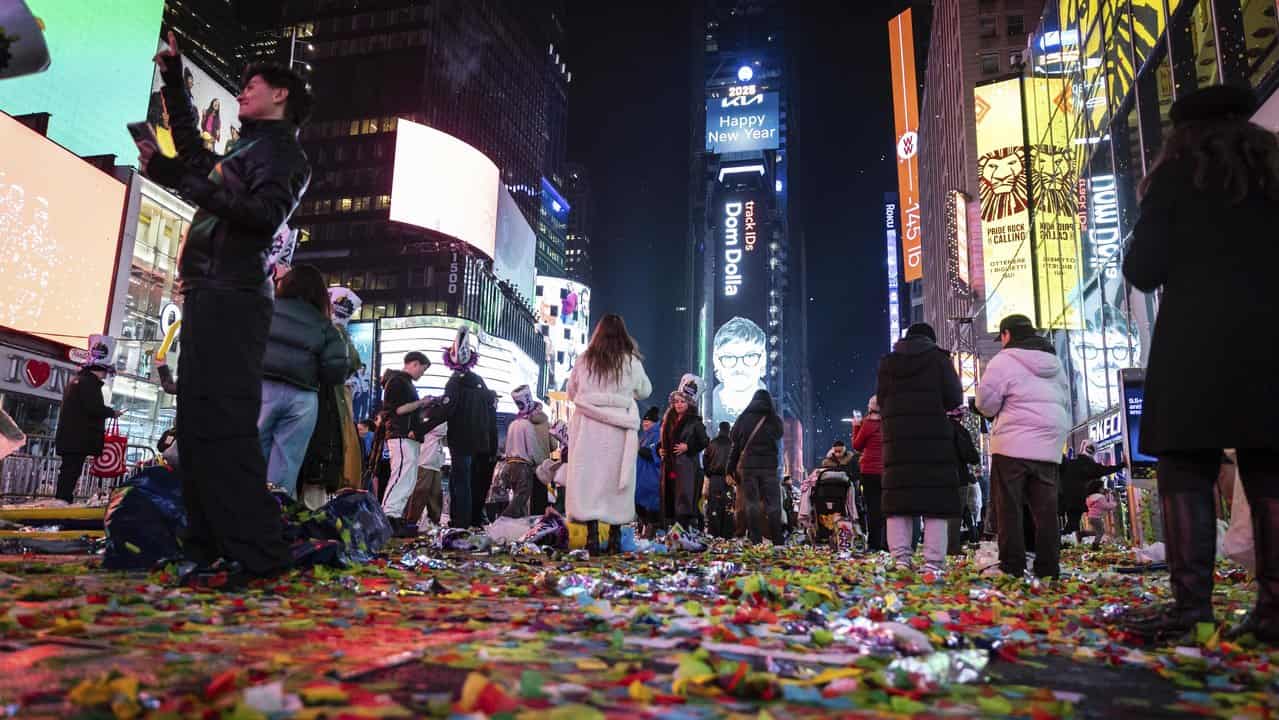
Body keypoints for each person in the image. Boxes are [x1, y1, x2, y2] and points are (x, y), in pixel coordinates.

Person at [134, 32, 312, 580]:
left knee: (226, 424)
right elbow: (193, 156)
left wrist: (178, 176)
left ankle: (259, 552)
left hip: (236, 296)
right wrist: (171, 77)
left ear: (280, 94)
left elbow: (259, 215)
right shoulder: (246, 147)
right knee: (195, 424)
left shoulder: (284, 154)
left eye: (251, 85)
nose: (241, 93)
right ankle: (207, 542)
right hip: (212, 292)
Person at [1120, 85, 1279, 643]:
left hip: (1196, 339)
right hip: (1271, 334)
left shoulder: (1177, 175)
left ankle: (1193, 613)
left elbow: (1144, 269)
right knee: (1269, 467)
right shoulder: (1272, 168)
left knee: (1186, 466)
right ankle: (1273, 613)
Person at [974, 314, 1071, 579]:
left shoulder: (1004, 360)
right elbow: (1064, 398)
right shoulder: (1055, 362)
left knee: (1009, 509)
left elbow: (986, 404)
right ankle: (1049, 567)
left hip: (1012, 446)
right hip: (1049, 444)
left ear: (1007, 334)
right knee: (1046, 511)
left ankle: (1013, 566)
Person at [876, 323, 964, 574]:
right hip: (934, 439)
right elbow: (955, 397)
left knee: (898, 500)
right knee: (935, 501)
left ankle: (902, 559)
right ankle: (933, 563)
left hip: (898, 441)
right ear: (931, 340)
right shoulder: (939, 360)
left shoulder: (888, 363)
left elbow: (881, 399)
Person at [257, 265, 348, 499]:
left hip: (261, 389)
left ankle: (240, 514)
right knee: (287, 461)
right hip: (302, 397)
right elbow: (337, 370)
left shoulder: (264, 309)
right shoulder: (325, 326)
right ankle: (275, 515)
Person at [565, 314, 652, 552]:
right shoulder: (631, 361)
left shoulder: (584, 360)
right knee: (615, 482)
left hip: (588, 431)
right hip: (619, 430)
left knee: (589, 480)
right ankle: (614, 538)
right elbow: (645, 390)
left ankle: (592, 536)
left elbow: (572, 392)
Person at [422, 327, 498, 529]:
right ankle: (472, 518)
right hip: (481, 442)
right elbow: (490, 413)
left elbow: (447, 409)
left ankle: (460, 521)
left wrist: (422, 428)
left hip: (461, 441)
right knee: (472, 482)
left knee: (460, 482)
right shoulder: (480, 383)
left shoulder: (455, 383)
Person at [54, 345, 121, 503]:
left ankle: (62, 498)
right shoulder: (89, 384)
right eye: (105, 371)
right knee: (71, 470)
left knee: (68, 470)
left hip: (70, 436)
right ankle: (63, 500)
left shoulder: (77, 381)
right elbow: (94, 408)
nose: (105, 375)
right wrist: (112, 412)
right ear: (98, 370)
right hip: (79, 437)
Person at [379, 352, 434, 535]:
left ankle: (395, 515)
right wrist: (421, 403)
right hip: (400, 434)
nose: (422, 374)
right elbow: (396, 410)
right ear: (415, 364)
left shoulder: (404, 383)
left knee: (407, 478)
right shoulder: (397, 381)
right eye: (423, 370)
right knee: (401, 475)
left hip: (407, 436)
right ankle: (387, 516)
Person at [727, 388, 785, 544]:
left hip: (748, 468)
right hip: (769, 467)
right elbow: (779, 434)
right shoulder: (773, 418)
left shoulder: (743, 418)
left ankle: (755, 538)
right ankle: (777, 539)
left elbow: (735, 443)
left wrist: (730, 469)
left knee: (751, 503)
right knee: (773, 503)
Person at [660, 375, 711, 530]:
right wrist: (660, 449)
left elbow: (705, 441)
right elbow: (663, 441)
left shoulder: (695, 422)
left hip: (687, 466)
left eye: (683, 401)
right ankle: (674, 531)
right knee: (670, 497)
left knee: (684, 499)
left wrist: (688, 447)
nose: (679, 404)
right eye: (676, 401)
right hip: (669, 466)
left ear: (689, 404)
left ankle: (683, 530)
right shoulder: (668, 420)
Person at [500, 386, 554, 518]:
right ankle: (505, 521)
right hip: (529, 466)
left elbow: (505, 447)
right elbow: (535, 448)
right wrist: (541, 464)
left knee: (520, 501)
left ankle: (517, 527)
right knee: (525, 501)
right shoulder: (533, 425)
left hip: (511, 465)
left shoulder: (514, 424)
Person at [1059, 441, 1124, 538]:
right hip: (1077, 499)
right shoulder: (1092, 466)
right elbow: (1106, 470)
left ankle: (1064, 539)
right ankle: (1066, 541)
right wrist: (1122, 464)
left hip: (1062, 496)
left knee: (1065, 522)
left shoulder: (1072, 463)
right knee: (1072, 524)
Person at [852, 396, 886, 551]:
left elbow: (857, 446)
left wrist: (856, 426)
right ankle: (888, 543)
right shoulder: (888, 423)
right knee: (887, 508)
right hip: (887, 471)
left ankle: (874, 544)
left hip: (869, 472)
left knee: (873, 508)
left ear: (871, 407)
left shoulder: (867, 424)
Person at [949, 409, 982, 551]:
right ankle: (952, 548)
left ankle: (935, 549)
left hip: (936, 478)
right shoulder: (960, 431)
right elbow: (972, 456)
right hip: (958, 477)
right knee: (956, 513)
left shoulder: (934, 430)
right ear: (960, 416)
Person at [409, 421, 447, 528]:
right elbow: (442, 429)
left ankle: (434, 522)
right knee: (420, 493)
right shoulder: (431, 419)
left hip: (436, 462)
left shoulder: (439, 419)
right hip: (425, 461)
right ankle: (411, 522)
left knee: (435, 495)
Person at [702, 421, 734, 539]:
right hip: (728, 480)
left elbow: (705, 460)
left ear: (719, 429)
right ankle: (727, 534)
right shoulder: (732, 444)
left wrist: (708, 474)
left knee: (714, 506)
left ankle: (714, 534)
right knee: (728, 507)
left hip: (715, 479)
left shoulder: (712, 443)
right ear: (729, 430)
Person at [635, 406, 662, 536]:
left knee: (650, 505)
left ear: (654, 423)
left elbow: (654, 454)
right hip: (642, 477)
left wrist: (637, 448)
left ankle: (650, 532)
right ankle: (646, 529)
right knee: (639, 504)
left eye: (648, 421)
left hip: (651, 477)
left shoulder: (657, 435)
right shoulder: (645, 435)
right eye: (644, 421)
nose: (645, 423)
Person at [1084, 481, 1117, 547]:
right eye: (1102, 488)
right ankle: (1095, 545)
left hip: (1091, 517)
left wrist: (1107, 495)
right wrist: (1114, 503)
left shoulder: (1090, 497)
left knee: (1098, 531)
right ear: (1098, 488)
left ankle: (1083, 533)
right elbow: (1106, 506)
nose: (1103, 489)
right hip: (1097, 517)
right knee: (1101, 532)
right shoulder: (1100, 497)